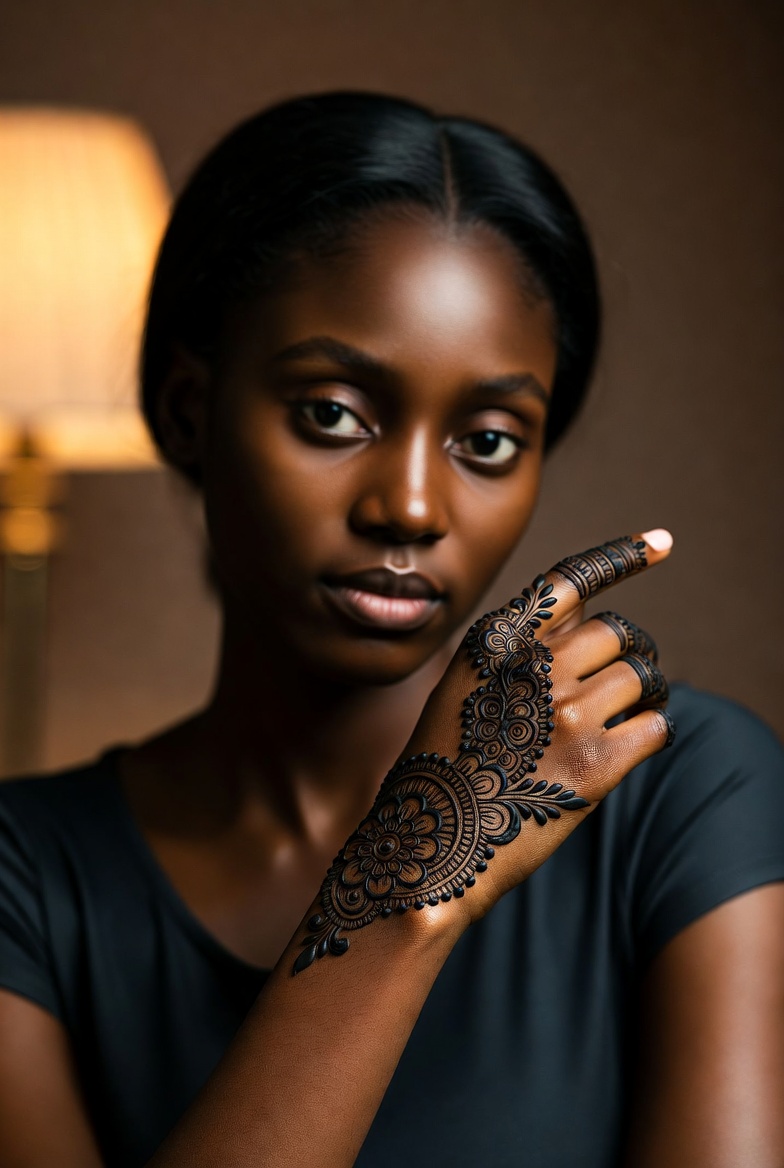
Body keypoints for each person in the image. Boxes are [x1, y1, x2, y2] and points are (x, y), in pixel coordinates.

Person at [0, 91, 782, 1168]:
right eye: (332, 413)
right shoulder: (26, 878)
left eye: (490, 440)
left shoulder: (684, 791)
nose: (411, 505)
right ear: (189, 409)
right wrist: (420, 871)